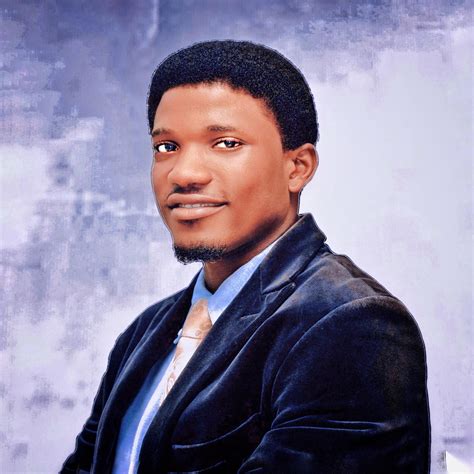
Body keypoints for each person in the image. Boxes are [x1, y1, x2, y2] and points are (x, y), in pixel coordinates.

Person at [61, 40, 430, 474]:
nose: (184, 173)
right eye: (166, 147)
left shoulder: (352, 325)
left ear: (298, 167)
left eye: (226, 143)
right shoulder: (144, 333)